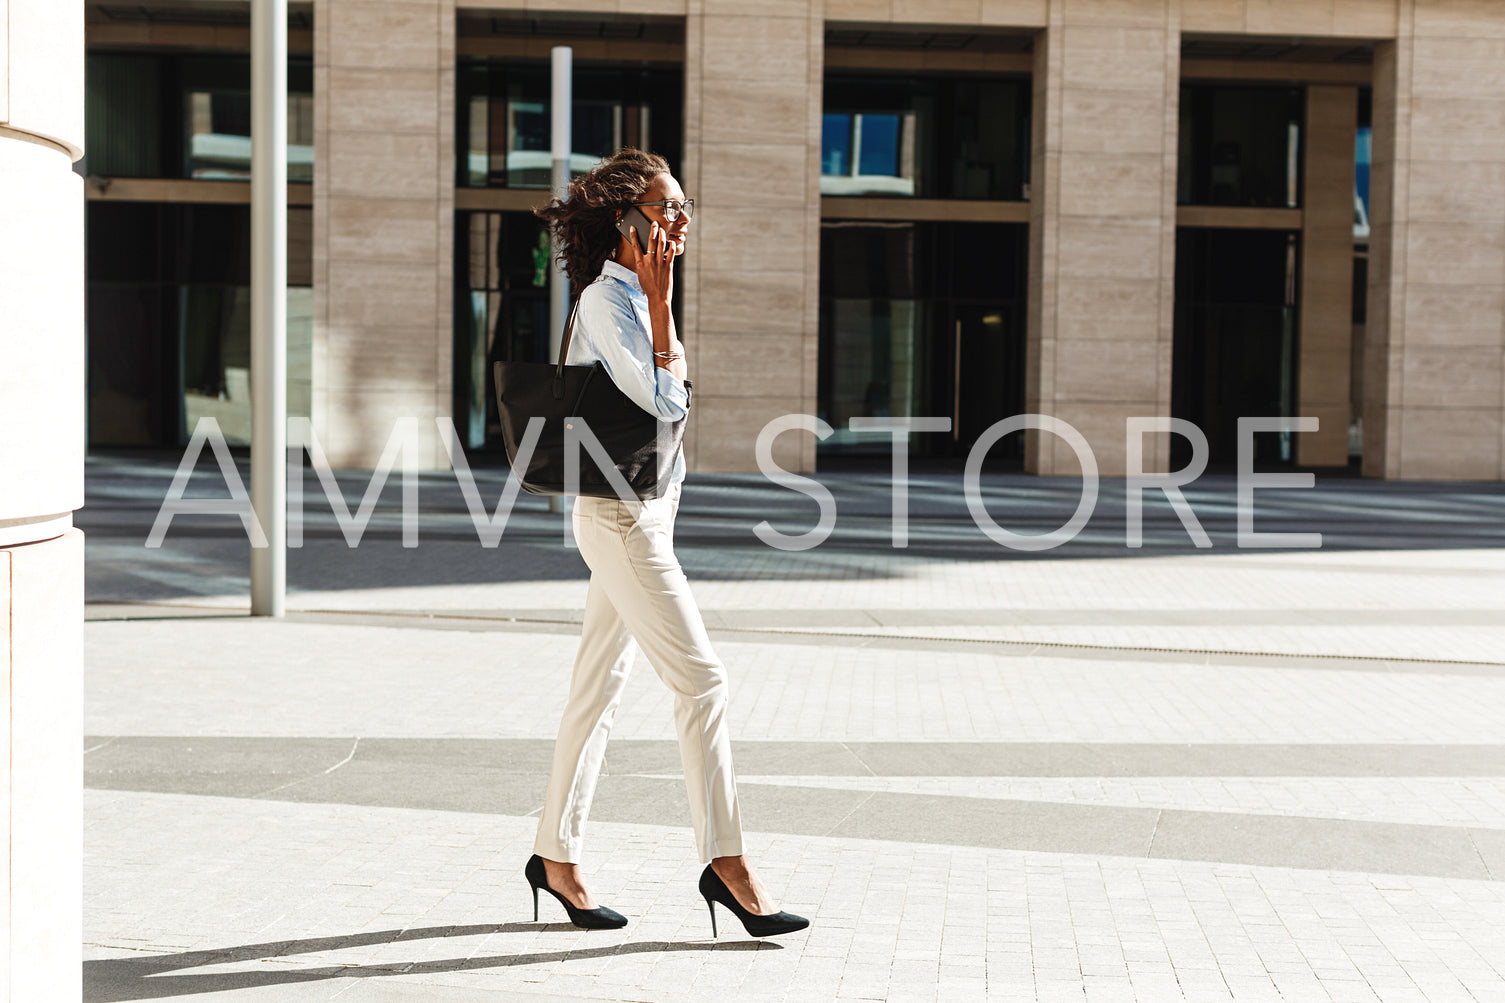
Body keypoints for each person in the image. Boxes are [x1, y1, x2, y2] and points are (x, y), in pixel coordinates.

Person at [523, 148, 808, 940]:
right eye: (666, 207)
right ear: (628, 219)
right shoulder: (608, 303)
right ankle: (726, 862)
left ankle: (555, 854)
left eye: (683, 206)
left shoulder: (643, 300)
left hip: (646, 510)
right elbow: (665, 400)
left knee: (596, 692)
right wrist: (657, 304)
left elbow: (667, 395)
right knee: (704, 682)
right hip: (618, 517)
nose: (681, 220)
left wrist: (662, 304)